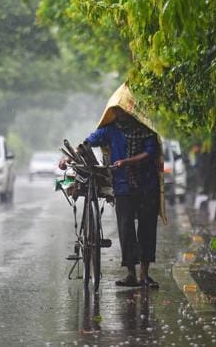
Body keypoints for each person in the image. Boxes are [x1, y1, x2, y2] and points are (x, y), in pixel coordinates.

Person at [60, 83, 166, 288]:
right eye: (114, 110)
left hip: (147, 185)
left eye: (120, 110)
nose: (117, 113)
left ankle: (145, 274)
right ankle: (131, 274)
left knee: (147, 228)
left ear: (130, 110)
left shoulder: (147, 131)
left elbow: (150, 153)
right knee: (126, 228)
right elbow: (89, 141)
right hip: (123, 185)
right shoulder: (111, 130)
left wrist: (127, 162)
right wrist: (71, 155)